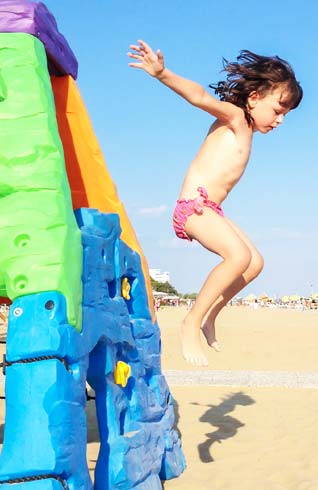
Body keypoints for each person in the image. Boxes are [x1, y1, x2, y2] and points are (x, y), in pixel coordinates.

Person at [128, 40, 303, 366]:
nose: (280, 121)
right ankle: (190, 322)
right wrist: (162, 74)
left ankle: (210, 316)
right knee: (237, 256)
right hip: (193, 208)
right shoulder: (236, 118)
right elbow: (199, 97)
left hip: (211, 209)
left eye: (286, 115)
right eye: (278, 110)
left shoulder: (247, 130)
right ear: (254, 98)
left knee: (254, 263)